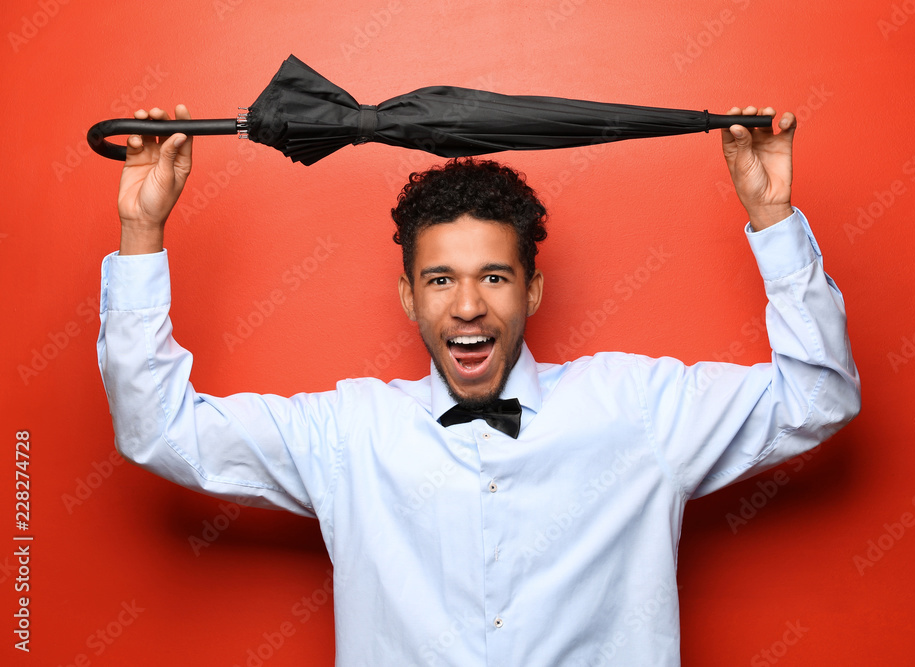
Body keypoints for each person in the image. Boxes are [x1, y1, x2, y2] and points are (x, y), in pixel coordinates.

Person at [98, 103, 860, 666]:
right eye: (440, 280)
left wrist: (773, 216)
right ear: (409, 298)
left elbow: (817, 397)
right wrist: (142, 232)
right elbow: (161, 429)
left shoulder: (637, 409)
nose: (467, 305)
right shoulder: (348, 433)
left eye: (494, 276)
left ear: (530, 292)